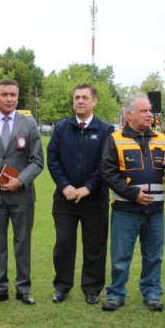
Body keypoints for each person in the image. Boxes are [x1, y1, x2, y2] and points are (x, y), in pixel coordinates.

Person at [100, 93, 165, 312]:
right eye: (144, 111)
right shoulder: (114, 139)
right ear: (129, 115)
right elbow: (108, 174)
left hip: (155, 210)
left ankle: (152, 293)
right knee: (121, 255)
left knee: (154, 255)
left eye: (150, 111)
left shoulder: (161, 138)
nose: (149, 115)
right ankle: (116, 293)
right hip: (126, 209)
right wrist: (133, 194)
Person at [0, 79, 44, 307]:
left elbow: (37, 161)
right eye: (4, 94)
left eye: (13, 94)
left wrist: (20, 181)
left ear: (18, 97)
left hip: (22, 196)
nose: (9, 99)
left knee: (23, 243)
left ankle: (23, 289)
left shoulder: (29, 124)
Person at [47, 84, 113, 305]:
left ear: (94, 101)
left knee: (94, 246)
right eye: (76, 97)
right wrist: (65, 185)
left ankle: (92, 288)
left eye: (85, 97)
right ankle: (62, 286)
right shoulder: (62, 127)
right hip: (65, 199)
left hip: (94, 200)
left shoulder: (105, 130)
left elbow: (107, 163)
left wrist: (89, 187)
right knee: (64, 244)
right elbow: (53, 159)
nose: (80, 101)